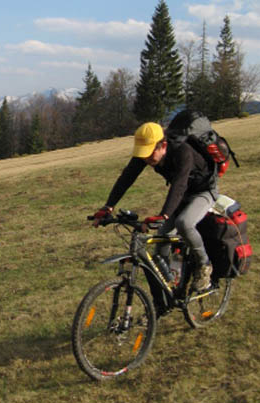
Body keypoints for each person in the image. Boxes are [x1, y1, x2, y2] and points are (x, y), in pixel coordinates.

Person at [92, 121, 216, 292]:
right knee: (160, 247)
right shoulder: (147, 154)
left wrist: (164, 215)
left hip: (203, 191)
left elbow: (179, 184)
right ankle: (170, 291)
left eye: (149, 154)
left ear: (163, 145)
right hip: (181, 196)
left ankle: (204, 265)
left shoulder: (183, 151)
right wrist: (108, 206)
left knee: (184, 223)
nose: (146, 159)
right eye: (143, 154)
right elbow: (127, 177)